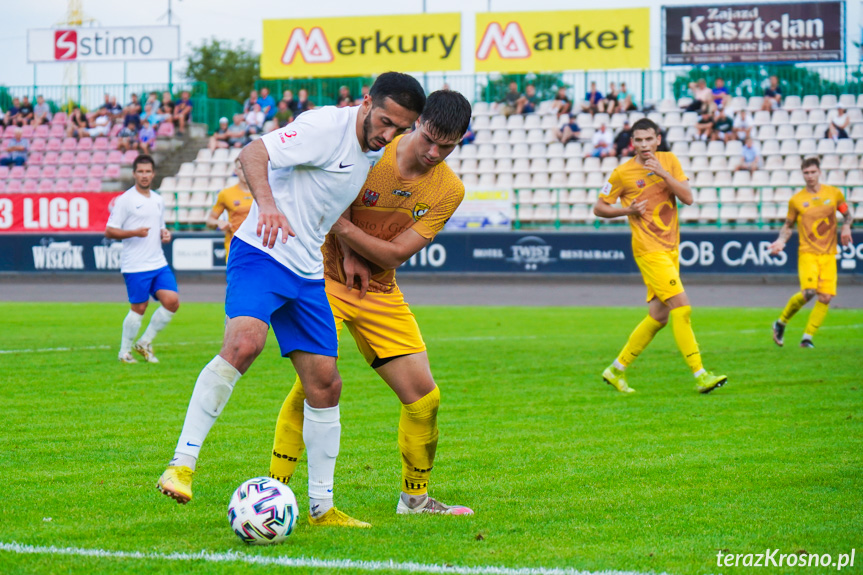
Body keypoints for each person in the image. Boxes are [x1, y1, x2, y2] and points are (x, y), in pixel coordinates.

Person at [156, 72, 425, 529]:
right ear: (365, 102)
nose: (387, 134)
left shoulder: (371, 150)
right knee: (244, 343)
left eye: (398, 129)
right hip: (262, 251)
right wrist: (267, 204)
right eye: (383, 121)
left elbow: (328, 200)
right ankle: (181, 465)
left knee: (326, 384)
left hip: (306, 269)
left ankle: (322, 509)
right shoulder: (325, 127)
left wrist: (351, 254)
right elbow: (253, 151)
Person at [269, 89, 474, 516]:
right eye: (430, 138)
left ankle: (414, 500)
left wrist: (343, 230)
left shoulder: (449, 190)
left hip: (380, 291)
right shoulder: (373, 151)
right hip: (320, 280)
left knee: (424, 400)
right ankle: (275, 493)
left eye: (447, 146)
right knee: (313, 385)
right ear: (417, 122)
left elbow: (396, 253)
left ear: (460, 141)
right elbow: (318, 200)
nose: (435, 152)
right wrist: (344, 247)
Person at [592, 118, 727, 394]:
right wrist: (627, 211)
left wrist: (663, 173)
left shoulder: (670, 161)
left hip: (670, 248)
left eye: (648, 139)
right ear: (632, 142)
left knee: (658, 316)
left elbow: (688, 197)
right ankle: (700, 374)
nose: (643, 145)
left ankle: (616, 370)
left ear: (658, 139)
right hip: (648, 249)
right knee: (682, 307)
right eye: (638, 140)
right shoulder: (622, 173)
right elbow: (599, 207)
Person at [770, 158, 854, 348]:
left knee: (825, 297)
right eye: (806, 173)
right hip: (808, 252)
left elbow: (847, 214)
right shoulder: (796, 200)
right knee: (809, 292)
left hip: (829, 253)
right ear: (803, 174)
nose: (810, 176)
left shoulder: (833, 194)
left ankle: (807, 338)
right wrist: (781, 241)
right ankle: (781, 322)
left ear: (819, 172)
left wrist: (847, 226)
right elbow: (788, 226)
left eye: (813, 172)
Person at [105, 155, 179, 364]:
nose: (144, 175)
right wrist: (134, 232)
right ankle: (124, 352)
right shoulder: (126, 200)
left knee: (172, 302)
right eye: (141, 171)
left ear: (153, 174)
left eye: (148, 171)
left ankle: (144, 342)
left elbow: (160, 225)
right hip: (136, 264)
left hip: (158, 262)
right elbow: (109, 231)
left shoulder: (157, 199)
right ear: (134, 174)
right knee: (139, 308)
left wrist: (165, 233)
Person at [206, 159, 253, 261]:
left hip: (261, 248)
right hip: (236, 249)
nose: (245, 171)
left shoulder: (265, 193)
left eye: (248, 167)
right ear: (235, 171)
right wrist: (218, 222)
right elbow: (210, 220)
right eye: (241, 168)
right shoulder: (225, 194)